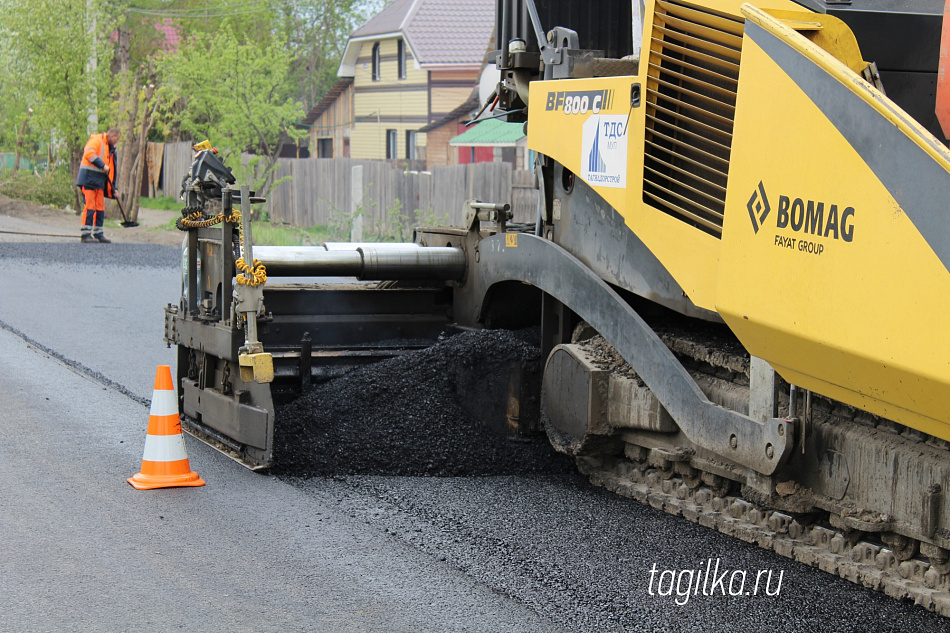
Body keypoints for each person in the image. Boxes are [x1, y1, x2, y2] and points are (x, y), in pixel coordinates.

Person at [75, 127, 121, 243]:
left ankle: (98, 233)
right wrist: (102, 165)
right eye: (117, 139)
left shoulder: (110, 149)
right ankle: (85, 234)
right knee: (90, 206)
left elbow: (111, 172)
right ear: (111, 136)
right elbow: (89, 153)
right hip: (88, 179)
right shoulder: (97, 140)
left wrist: (113, 188)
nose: (117, 142)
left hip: (99, 181)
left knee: (100, 207)